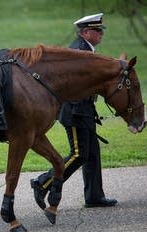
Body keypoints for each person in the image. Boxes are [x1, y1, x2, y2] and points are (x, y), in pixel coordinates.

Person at [30, 13, 118, 210]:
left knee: (92, 153)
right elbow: (72, 85)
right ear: (86, 32)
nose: (101, 34)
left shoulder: (84, 49)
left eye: (100, 30)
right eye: (97, 31)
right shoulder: (79, 52)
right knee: (79, 154)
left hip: (84, 109)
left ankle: (94, 196)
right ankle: (42, 183)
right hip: (76, 111)